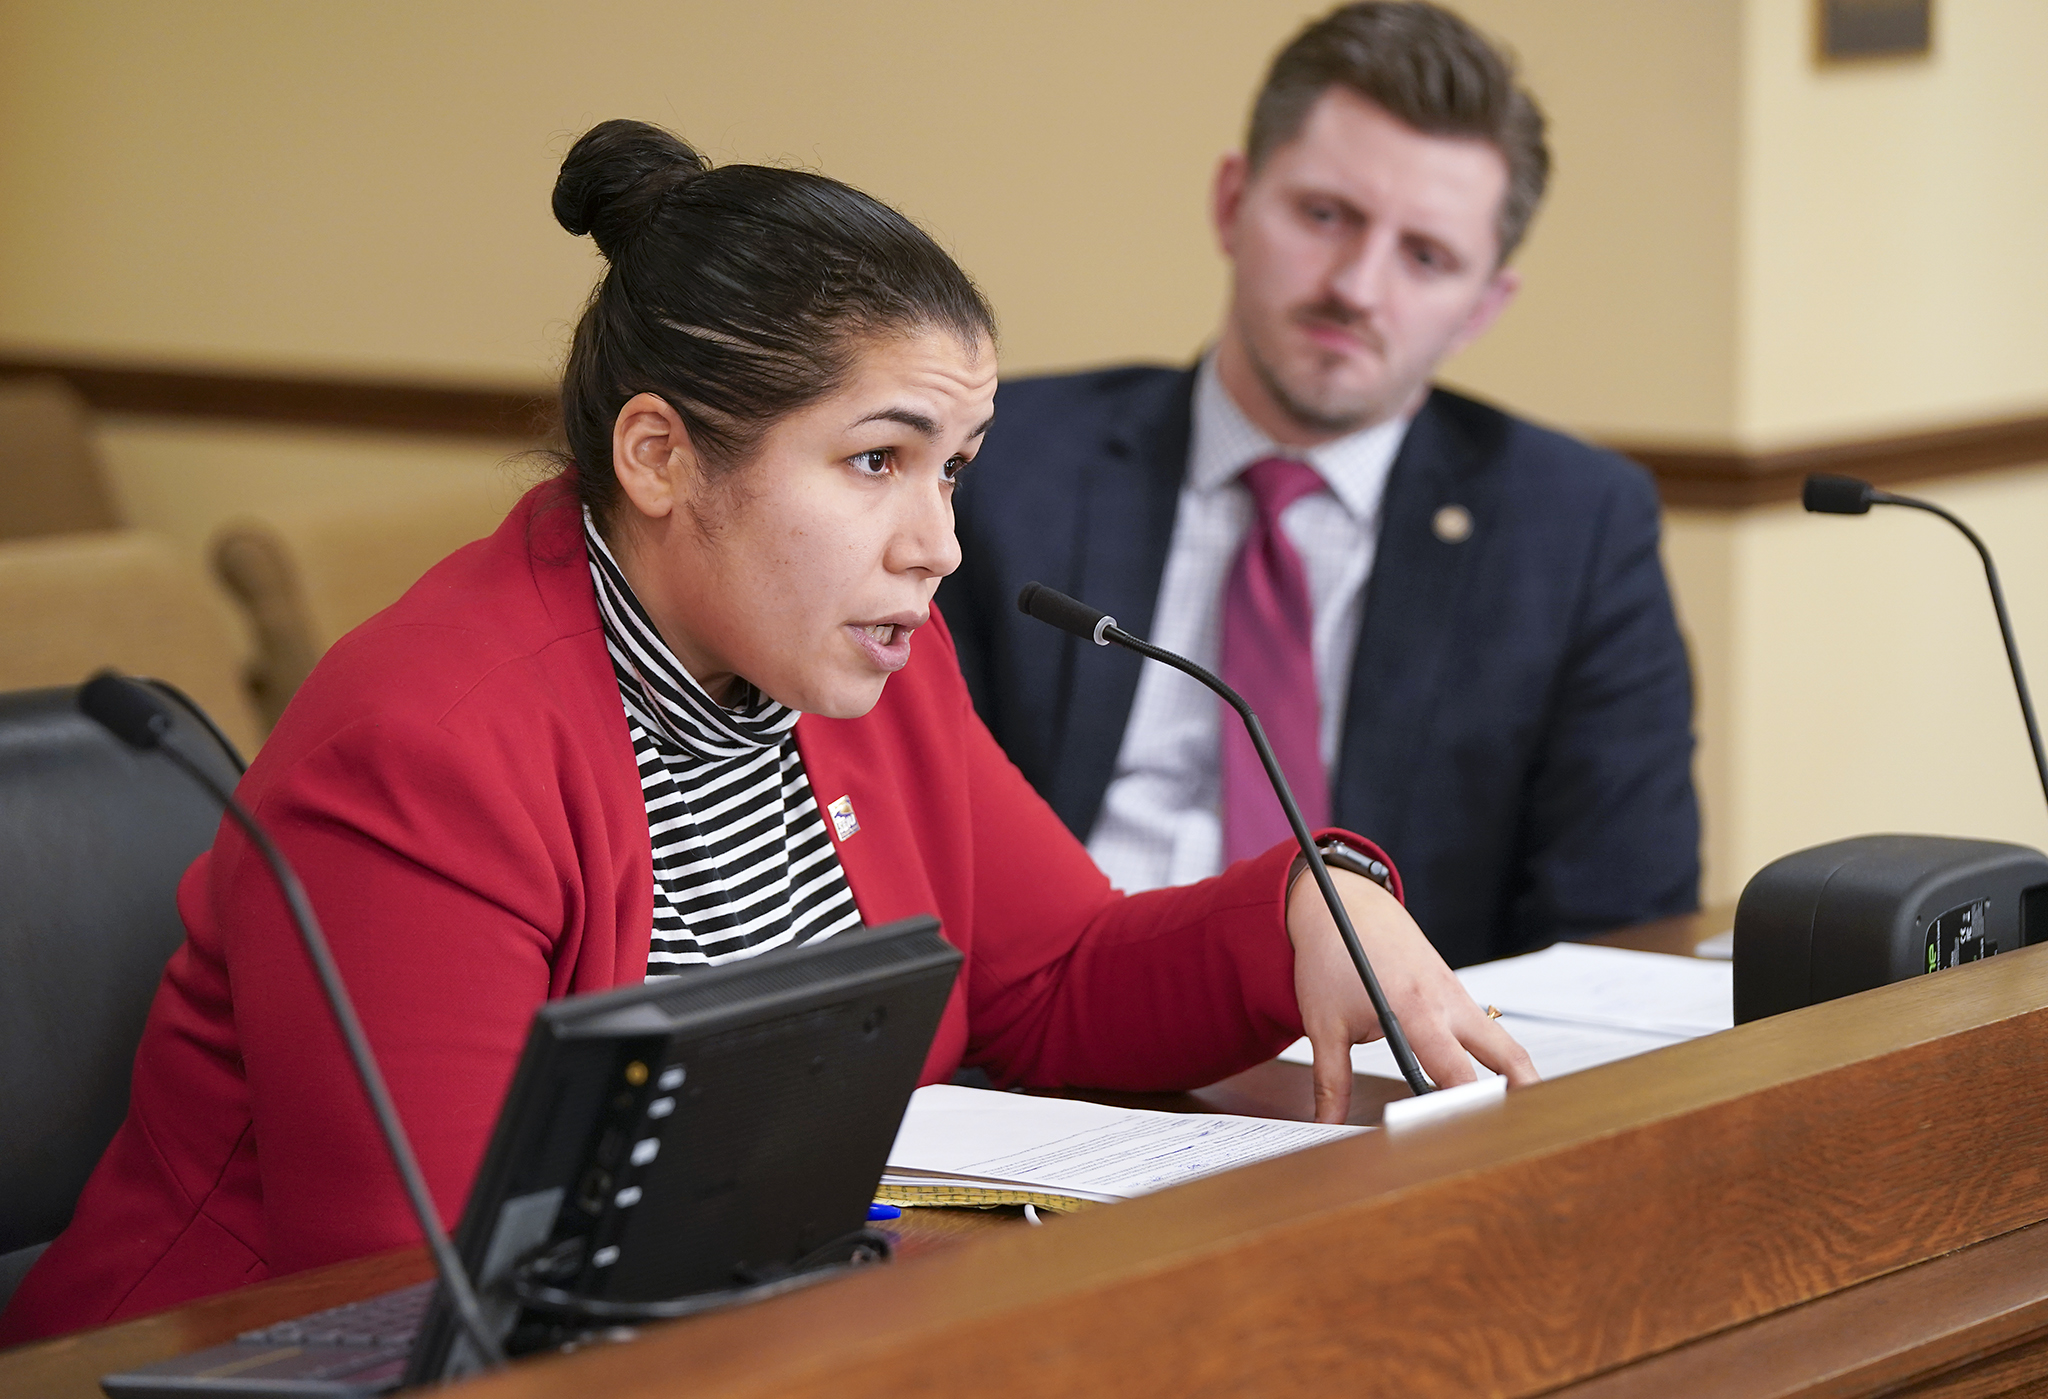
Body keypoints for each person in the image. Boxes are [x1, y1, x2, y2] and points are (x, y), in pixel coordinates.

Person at [0, 119, 1533, 1343]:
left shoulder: (856, 665)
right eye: (876, 460)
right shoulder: (427, 747)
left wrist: (1301, 915)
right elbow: (427, 1291)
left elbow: (1054, 976)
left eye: (955, 468)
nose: (937, 540)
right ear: (662, 456)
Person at [940, 2, 1700, 969]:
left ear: (1483, 304)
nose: (1357, 285)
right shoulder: (1002, 462)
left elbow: (1620, 924)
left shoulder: (1576, 526)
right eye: (1325, 216)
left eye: (1426, 257)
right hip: (1041, 1051)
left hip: (1398, 1077)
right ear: (1231, 201)